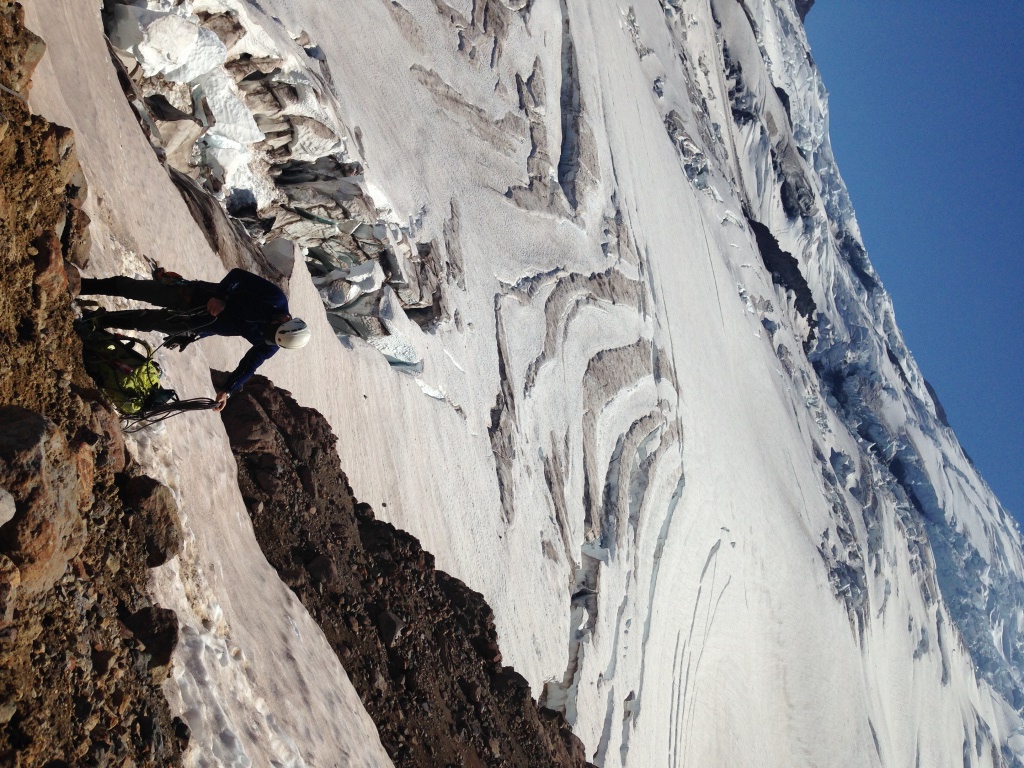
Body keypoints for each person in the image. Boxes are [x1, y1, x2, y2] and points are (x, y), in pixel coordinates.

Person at [80, 268, 311, 411]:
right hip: (196, 296)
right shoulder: (275, 299)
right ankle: (82, 286)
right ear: (284, 319)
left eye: (270, 338)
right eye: (271, 329)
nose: (265, 334)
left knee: (146, 321)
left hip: (197, 324)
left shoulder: (270, 343)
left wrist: (228, 390)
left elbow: (249, 364)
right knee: (136, 289)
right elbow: (238, 276)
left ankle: (97, 321)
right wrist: (221, 297)